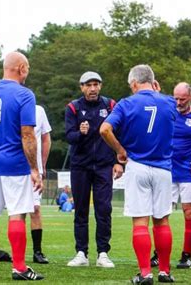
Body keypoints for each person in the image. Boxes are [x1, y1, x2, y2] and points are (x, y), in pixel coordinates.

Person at [100, 64, 177, 284]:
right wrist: (159, 93)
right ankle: (164, 271)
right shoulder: (169, 102)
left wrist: (120, 151)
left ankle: (145, 273)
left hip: (137, 165)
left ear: (134, 83)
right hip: (163, 168)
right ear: (153, 82)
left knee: (140, 222)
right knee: (162, 221)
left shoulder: (127, 103)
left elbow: (105, 129)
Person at [0, 52, 44, 281]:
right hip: (15, 165)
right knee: (17, 216)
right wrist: (34, 169)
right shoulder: (25, 94)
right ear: (21, 68)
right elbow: (27, 134)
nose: (28, 73)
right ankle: (19, 268)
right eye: (28, 68)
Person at [65, 71, 123, 268]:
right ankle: (81, 252)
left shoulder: (110, 105)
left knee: (104, 209)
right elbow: (69, 136)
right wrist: (80, 134)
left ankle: (103, 253)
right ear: (81, 87)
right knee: (80, 210)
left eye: (96, 84)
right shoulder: (73, 107)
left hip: (104, 165)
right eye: (88, 85)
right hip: (80, 166)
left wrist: (118, 161)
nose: (92, 89)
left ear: (101, 86)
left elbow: (118, 133)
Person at [153, 82, 191, 270]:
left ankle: (186, 255)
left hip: (189, 174)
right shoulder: (167, 112)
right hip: (167, 171)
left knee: (190, 212)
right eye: (176, 98)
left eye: (182, 98)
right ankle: (159, 254)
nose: (178, 102)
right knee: (161, 214)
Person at [30, 104, 52, 264]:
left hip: (34, 169)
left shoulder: (39, 110)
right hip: (11, 167)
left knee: (35, 209)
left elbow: (46, 138)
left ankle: (37, 251)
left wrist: (42, 164)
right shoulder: (10, 107)